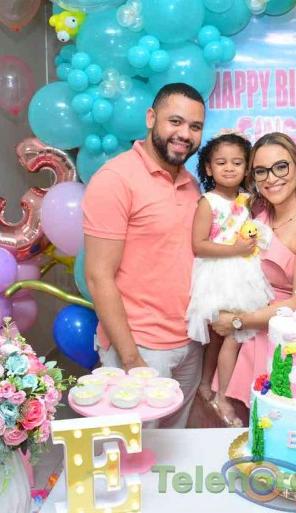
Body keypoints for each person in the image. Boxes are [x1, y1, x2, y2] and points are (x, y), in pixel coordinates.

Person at [81, 83, 205, 429]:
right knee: (130, 450)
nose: (185, 134)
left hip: (189, 343)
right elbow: (98, 277)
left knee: (173, 447)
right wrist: (131, 359)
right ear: (151, 118)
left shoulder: (191, 184)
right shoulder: (115, 179)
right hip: (140, 348)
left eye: (195, 126)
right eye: (175, 122)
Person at [210, 132, 296, 411]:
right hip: (241, 338)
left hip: (278, 342)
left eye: (280, 167)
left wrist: (239, 321)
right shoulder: (258, 210)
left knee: (268, 423)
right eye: (261, 171)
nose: (271, 178)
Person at [187, 130, 274, 426]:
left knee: (227, 335)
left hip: (246, 272)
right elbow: (199, 245)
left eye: (237, 162)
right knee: (225, 334)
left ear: (247, 168)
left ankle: (210, 386)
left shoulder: (249, 200)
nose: (229, 168)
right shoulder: (207, 202)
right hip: (218, 273)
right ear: (209, 168)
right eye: (221, 162)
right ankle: (219, 393)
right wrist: (234, 249)